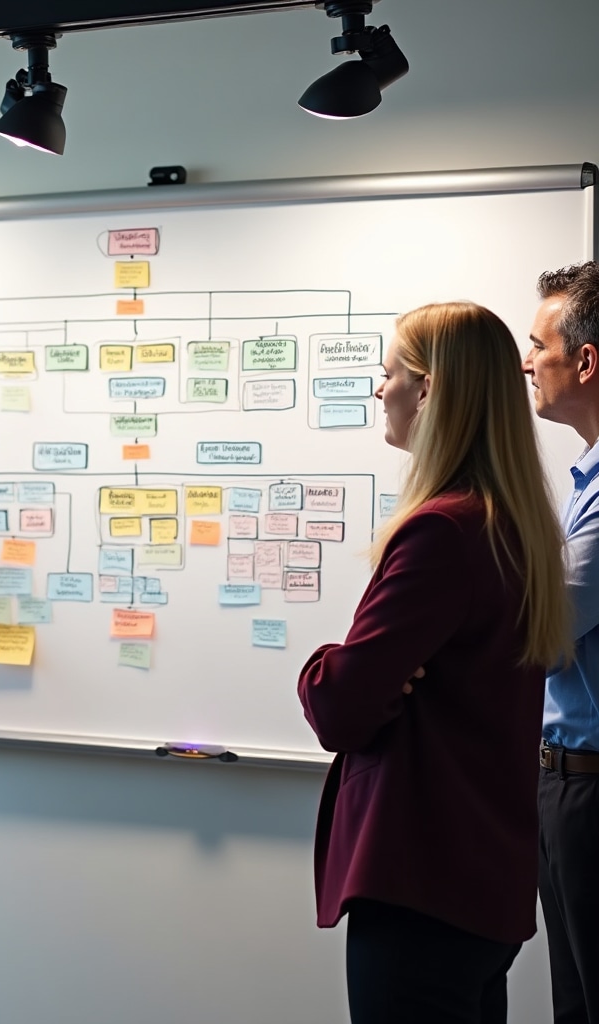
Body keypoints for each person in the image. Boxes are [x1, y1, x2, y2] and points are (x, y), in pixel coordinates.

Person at [297, 302, 571, 1024]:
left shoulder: (441, 532)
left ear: (427, 390)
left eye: (387, 374)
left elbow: (341, 706)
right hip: (482, 881)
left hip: (422, 879)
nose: (378, 390)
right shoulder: (512, 521)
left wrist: (326, 660)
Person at [523, 260, 599, 1024]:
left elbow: (540, 639)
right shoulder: (584, 481)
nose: (524, 363)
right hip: (562, 783)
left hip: (590, 793)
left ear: (585, 360)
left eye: (535, 345)